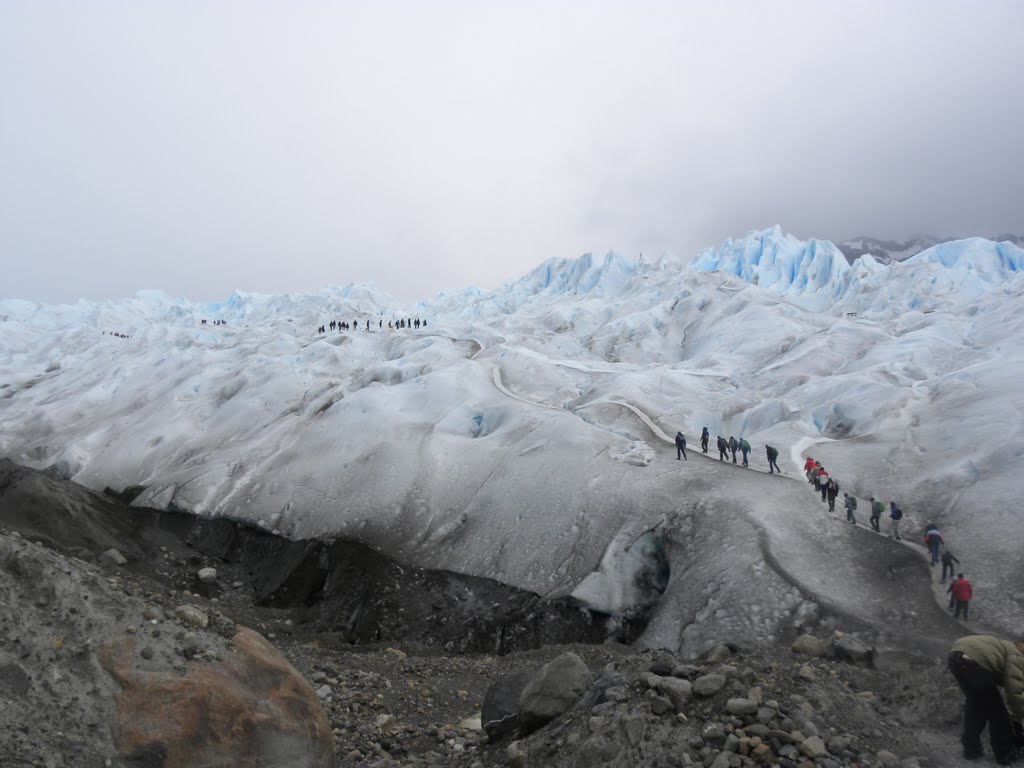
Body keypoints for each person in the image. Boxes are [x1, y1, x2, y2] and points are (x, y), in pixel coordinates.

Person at [947, 634, 1024, 763]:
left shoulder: (1006, 648)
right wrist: (1020, 715)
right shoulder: (1017, 655)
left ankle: (972, 750)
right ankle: (1004, 754)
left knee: (976, 706)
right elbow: (1015, 691)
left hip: (957, 655)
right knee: (997, 711)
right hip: (976, 660)